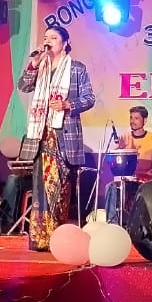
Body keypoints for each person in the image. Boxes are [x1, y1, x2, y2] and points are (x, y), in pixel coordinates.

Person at [16, 25, 96, 251]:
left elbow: (89, 98)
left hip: (63, 136)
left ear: (65, 42)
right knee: (40, 188)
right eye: (45, 37)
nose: (48, 41)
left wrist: (68, 104)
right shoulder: (40, 66)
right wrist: (34, 63)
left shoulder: (76, 68)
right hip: (41, 135)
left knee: (59, 188)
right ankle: (40, 238)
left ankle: (58, 238)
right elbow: (23, 86)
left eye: (53, 37)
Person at [114, 105, 152, 181]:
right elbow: (117, 162)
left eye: (136, 118)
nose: (132, 121)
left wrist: (147, 174)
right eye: (131, 118)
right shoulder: (124, 137)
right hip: (128, 180)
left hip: (148, 182)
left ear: (145, 120)